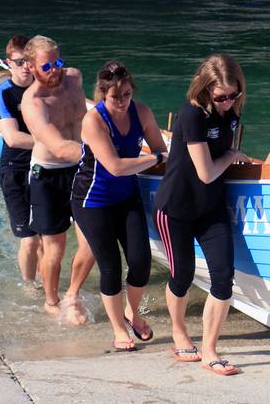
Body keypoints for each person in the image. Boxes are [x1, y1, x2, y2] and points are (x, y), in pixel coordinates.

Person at [153, 54, 250, 376]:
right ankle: (179, 332)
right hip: (176, 209)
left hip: (211, 209)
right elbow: (207, 172)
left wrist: (236, 157)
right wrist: (234, 154)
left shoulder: (231, 114)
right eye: (221, 96)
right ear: (206, 90)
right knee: (182, 276)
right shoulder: (191, 114)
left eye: (233, 95)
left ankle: (210, 350)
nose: (227, 102)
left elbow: (218, 163)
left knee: (223, 277)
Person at [71, 61, 169, 351]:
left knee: (140, 262)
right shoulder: (93, 121)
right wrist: (153, 160)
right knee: (110, 266)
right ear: (103, 95)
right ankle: (118, 329)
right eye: (116, 97)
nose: (123, 101)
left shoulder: (142, 112)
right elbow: (114, 166)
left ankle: (131, 313)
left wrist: (160, 158)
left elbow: (160, 148)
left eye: (127, 94)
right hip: (92, 200)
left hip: (127, 196)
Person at [21, 35, 95, 324]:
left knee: (92, 242)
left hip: (81, 170)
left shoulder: (74, 79)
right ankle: (51, 302)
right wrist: (105, 158)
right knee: (55, 247)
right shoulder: (33, 102)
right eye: (48, 65)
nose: (56, 70)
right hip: (48, 174)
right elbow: (60, 147)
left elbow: (91, 116)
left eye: (59, 61)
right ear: (30, 67)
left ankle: (72, 295)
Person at [0, 35, 43, 282]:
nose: (24, 67)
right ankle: (30, 289)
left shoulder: (45, 87)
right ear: (8, 63)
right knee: (30, 240)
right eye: (19, 62)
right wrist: (56, 144)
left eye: (28, 61)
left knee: (47, 235)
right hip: (16, 168)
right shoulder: (3, 92)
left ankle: (48, 285)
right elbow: (11, 138)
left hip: (44, 167)